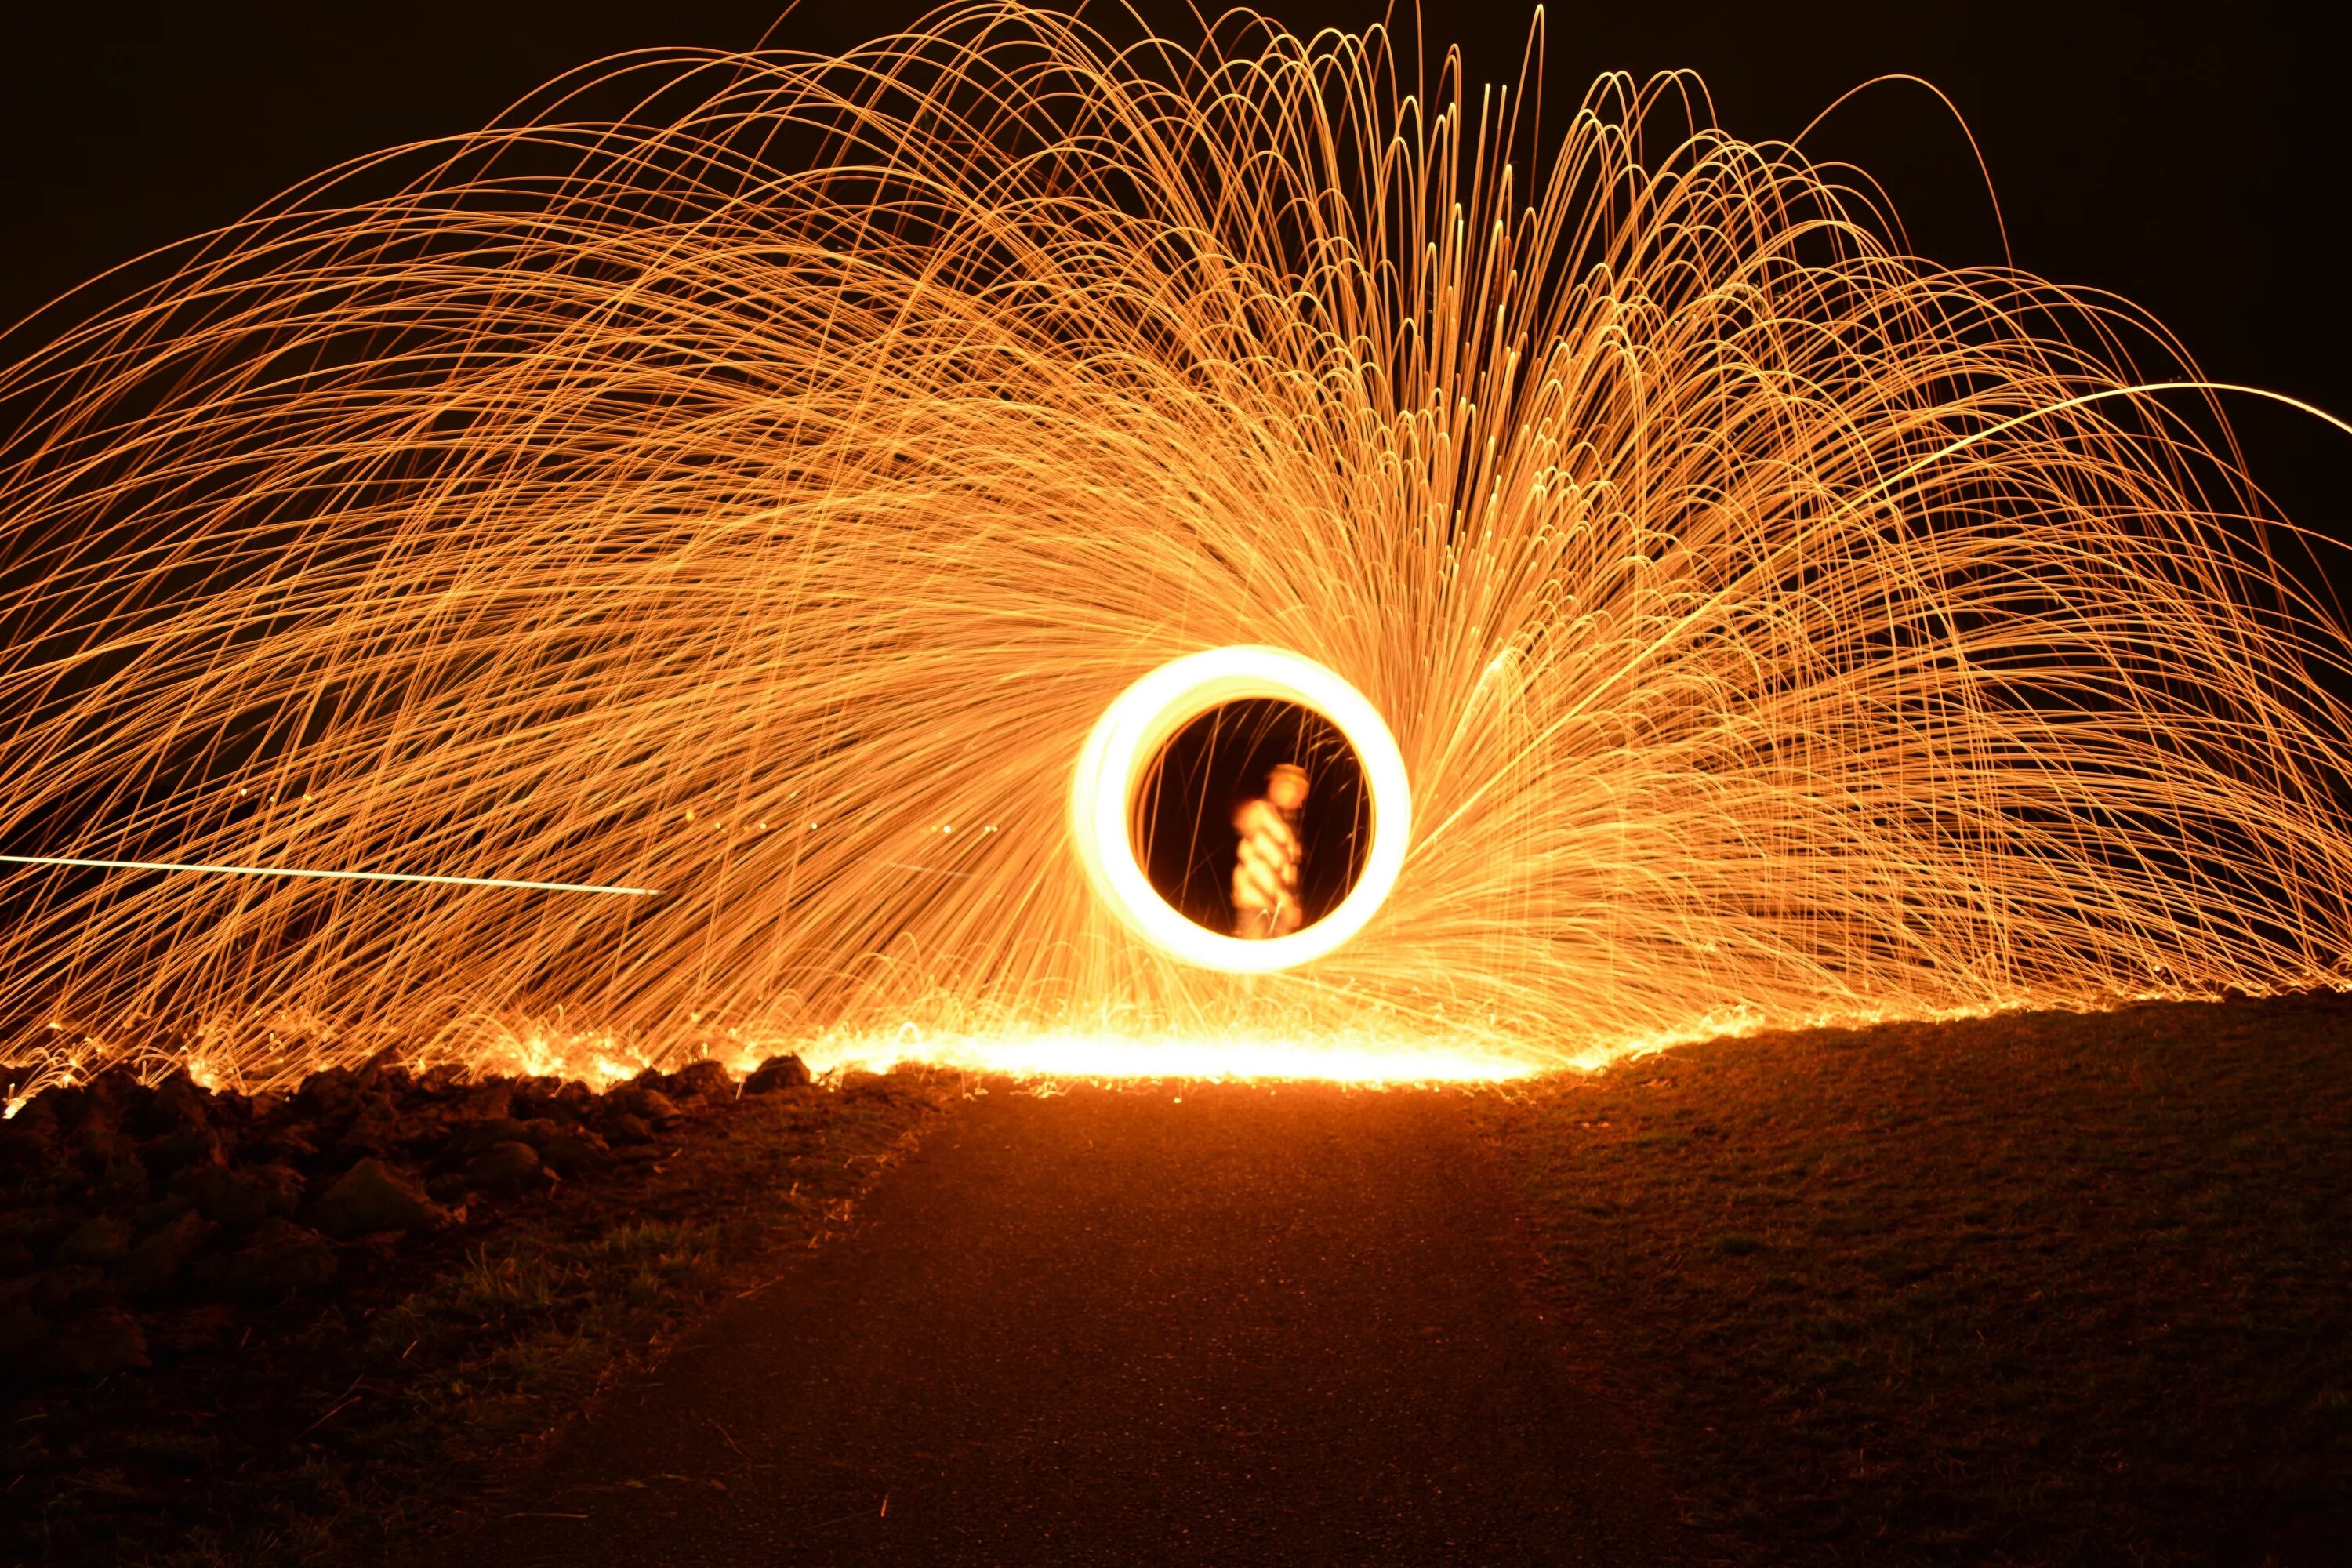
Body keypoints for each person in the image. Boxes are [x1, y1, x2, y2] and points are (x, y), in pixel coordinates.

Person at [1231, 762, 1308, 938]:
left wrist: (1292, 905)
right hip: (1254, 904)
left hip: (1281, 909)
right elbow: (1243, 818)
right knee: (1253, 956)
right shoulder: (1260, 811)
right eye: (1287, 788)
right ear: (1273, 787)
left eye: (1299, 792)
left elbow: (1288, 874)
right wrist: (1245, 815)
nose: (1295, 796)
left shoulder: (1289, 830)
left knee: (1278, 961)